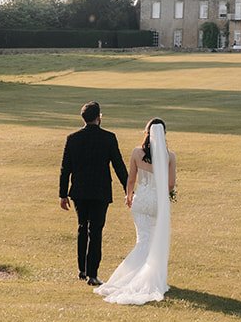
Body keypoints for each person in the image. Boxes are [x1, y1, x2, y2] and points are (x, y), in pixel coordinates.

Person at [95, 118, 176, 305]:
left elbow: (131, 179)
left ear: (146, 132)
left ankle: (135, 275)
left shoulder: (136, 153)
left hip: (141, 201)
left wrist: (129, 195)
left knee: (143, 239)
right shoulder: (170, 156)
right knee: (153, 240)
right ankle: (147, 276)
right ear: (164, 134)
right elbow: (170, 184)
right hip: (157, 202)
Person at [58, 100, 129, 285]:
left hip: (79, 191)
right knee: (95, 230)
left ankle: (82, 269)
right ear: (99, 117)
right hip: (100, 191)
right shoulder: (108, 138)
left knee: (82, 227)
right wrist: (128, 188)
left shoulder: (72, 138)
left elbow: (65, 169)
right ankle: (92, 274)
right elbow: (119, 165)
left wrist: (63, 194)